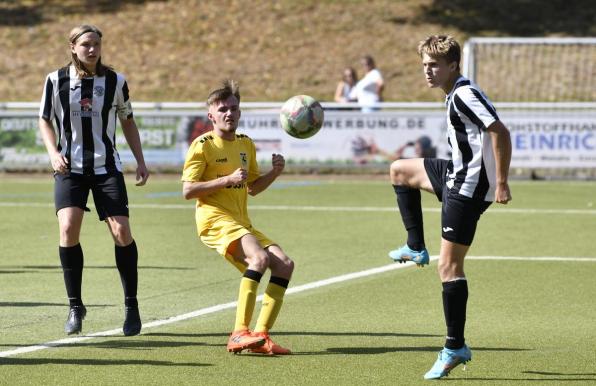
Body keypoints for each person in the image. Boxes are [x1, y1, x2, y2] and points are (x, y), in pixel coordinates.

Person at [387, 35, 512, 379]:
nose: (428, 71)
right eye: (425, 64)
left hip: (468, 190)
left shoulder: (464, 94)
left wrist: (501, 181)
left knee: (449, 267)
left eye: (435, 65)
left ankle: (454, 346)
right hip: (455, 175)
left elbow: (500, 131)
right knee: (400, 170)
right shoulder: (454, 92)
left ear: (454, 65)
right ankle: (415, 246)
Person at [38, 24, 149, 336]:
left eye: (96, 44)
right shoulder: (55, 80)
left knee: (122, 232)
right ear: (73, 47)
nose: (91, 49)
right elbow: (44, 119)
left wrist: (140, 161)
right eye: (85, 44)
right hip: (68, 168)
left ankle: (131, 305)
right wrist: (52, 153)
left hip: (106, 167)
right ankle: (75, 306)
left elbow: (128, 120)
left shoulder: (115, 81)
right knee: (68, 228)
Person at [181, 80, 294, 355]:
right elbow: (188, 190)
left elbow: (253, 188)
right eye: (223, 109)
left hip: (240, 221)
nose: (229, 113)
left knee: (284, 265)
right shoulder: (203, 145)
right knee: (259, 259)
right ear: (211, 116)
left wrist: (274, 173)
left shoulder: (246, 144)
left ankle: (260, 336)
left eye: (234, 108)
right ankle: (239, 333)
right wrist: (227, 179)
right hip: (213, 219)